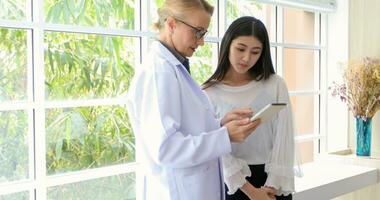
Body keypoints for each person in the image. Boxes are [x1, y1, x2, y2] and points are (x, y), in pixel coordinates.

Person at [126, 1, 264, 200]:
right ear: (171, 24)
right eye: (198, 32)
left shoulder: (174, 67)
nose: (201, 42)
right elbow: (166, 149)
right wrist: (224, 136)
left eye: (204, 33)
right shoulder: (159, 72)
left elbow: (183, 129)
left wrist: (219, 125)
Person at [203, 16, 296, 200]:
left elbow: (284, 137)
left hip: (273, 182)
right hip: (233, 184)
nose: (246, 58)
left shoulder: (275, 84)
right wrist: (251, 191)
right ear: (227, 45)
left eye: (255, 51)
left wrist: (272, 185)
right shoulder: (208, 92)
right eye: (240, 49)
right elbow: (215, 149)